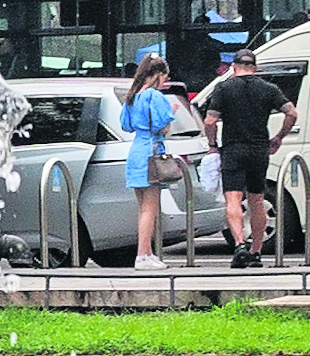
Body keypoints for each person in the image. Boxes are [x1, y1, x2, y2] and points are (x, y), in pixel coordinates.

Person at [202, 46, 293, 264]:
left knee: (233, 198)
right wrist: (279, 136)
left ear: (234, 67)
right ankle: (256, 251)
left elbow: (210, 121)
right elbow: (291, 112)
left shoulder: (223, 88)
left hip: (233, 149)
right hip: (259, 150)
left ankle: (240, 245)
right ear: (255, 67)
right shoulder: (269, 88)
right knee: (257, 200)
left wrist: (213, 144)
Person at [115, 52, 188, 264]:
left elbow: (126, 125)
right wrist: (172, 111)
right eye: (164, 76)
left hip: (136, 151)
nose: (165, 80)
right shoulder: (155, 97)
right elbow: (163, 127)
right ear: (157, 74)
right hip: (151, 151)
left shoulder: (133, 95)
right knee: (151, 208)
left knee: (143, 208)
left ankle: (146, 253)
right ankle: (143, 255)